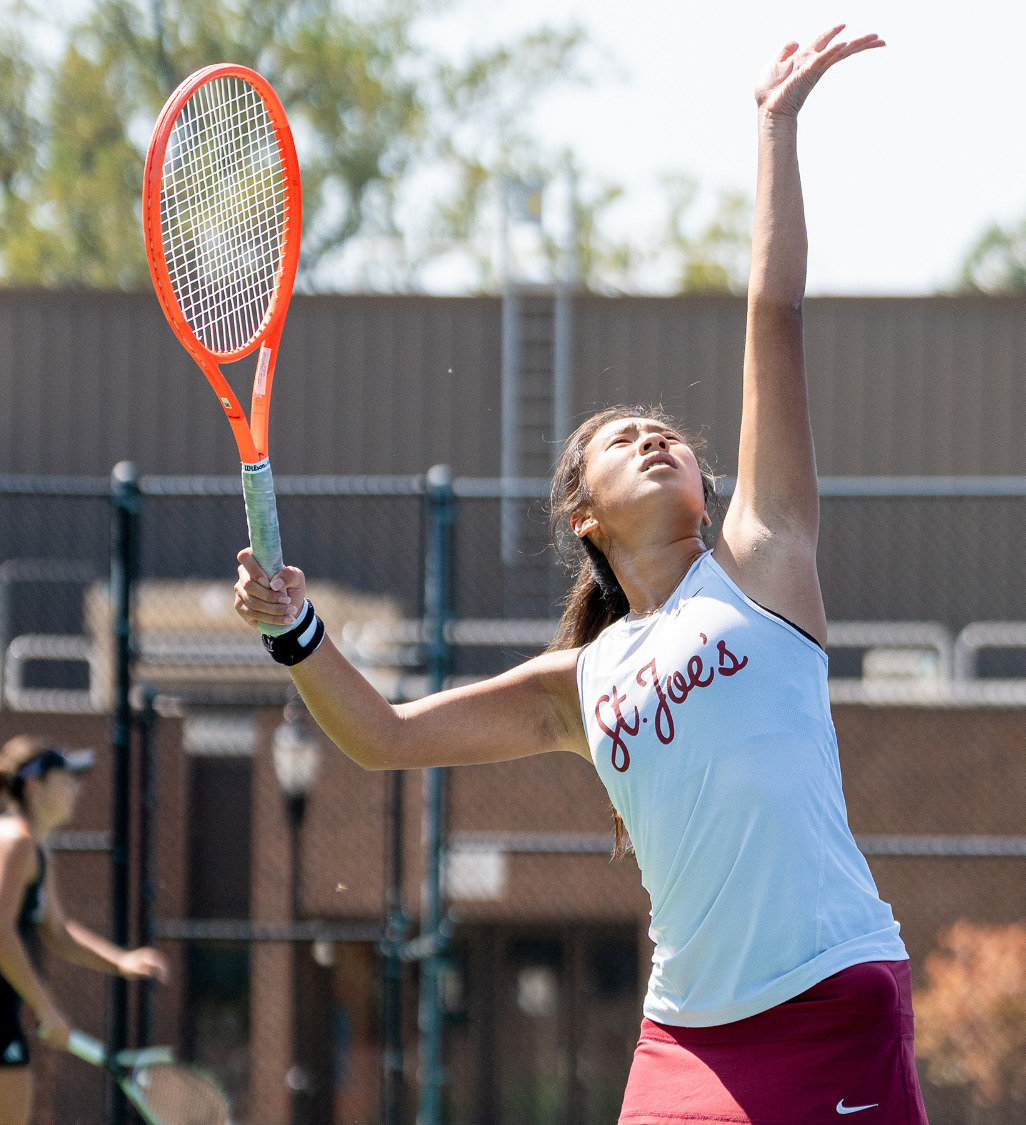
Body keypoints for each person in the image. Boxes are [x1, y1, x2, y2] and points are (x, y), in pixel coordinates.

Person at [233, 25, 923, 1124]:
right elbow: (385, 738)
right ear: (582, 513)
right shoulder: (580, 682)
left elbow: (773, 317)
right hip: (686, 1037)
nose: (659, 438)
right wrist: (296, 631)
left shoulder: (761, 560)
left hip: (829, 1000)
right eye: (624, 437)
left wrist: (773, 126)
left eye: (671, 435)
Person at [0, 736, 169, 1125]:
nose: (76, 789)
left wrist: (122, 960)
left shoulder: (35, 847)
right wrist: (45, 1006)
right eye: (66, 779)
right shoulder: (16, 843)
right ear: (35, 785)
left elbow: (57, 931)